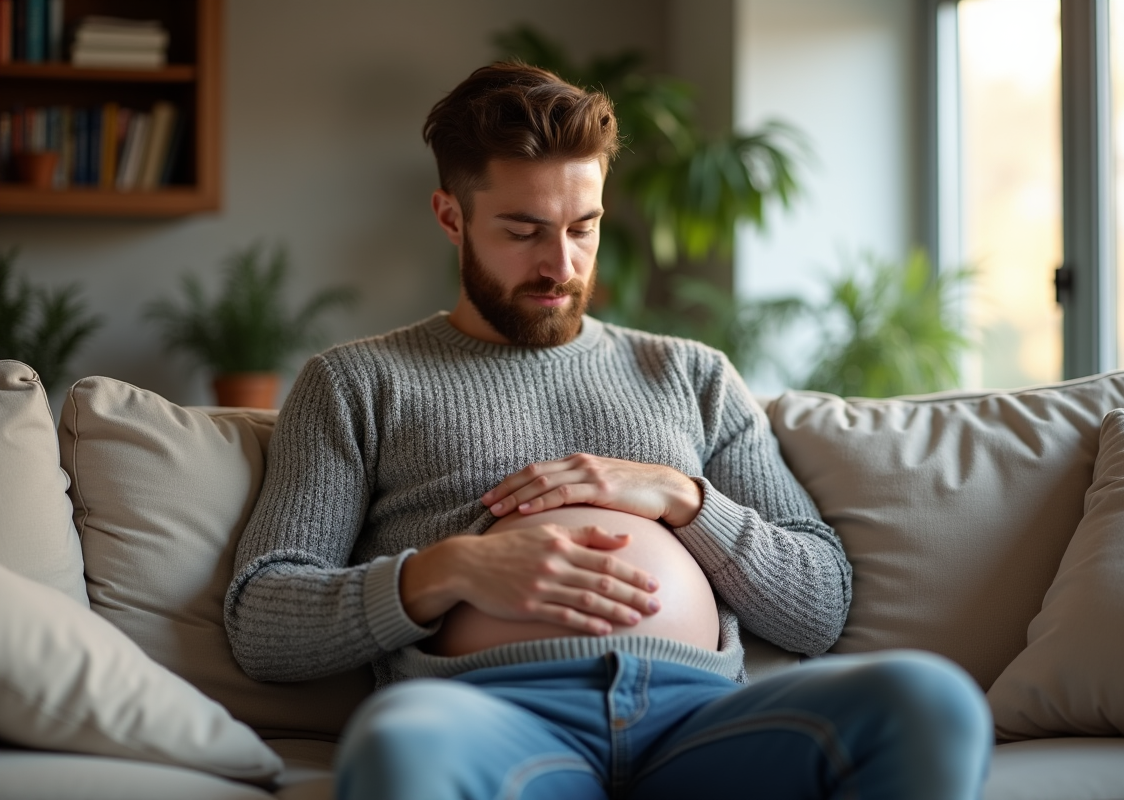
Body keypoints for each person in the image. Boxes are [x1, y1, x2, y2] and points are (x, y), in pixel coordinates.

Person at [225, 61, 992, 800]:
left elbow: (819, 602)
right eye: (524, 231)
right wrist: (450, 570)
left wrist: (684, 499)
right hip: (494, 719)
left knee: (929, 699)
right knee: (398, 744)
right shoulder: (357, 382)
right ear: (451, 217)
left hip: (699, 719)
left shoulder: (692, 375)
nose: (561, 264)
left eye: (582, 227)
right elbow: (262, 618)